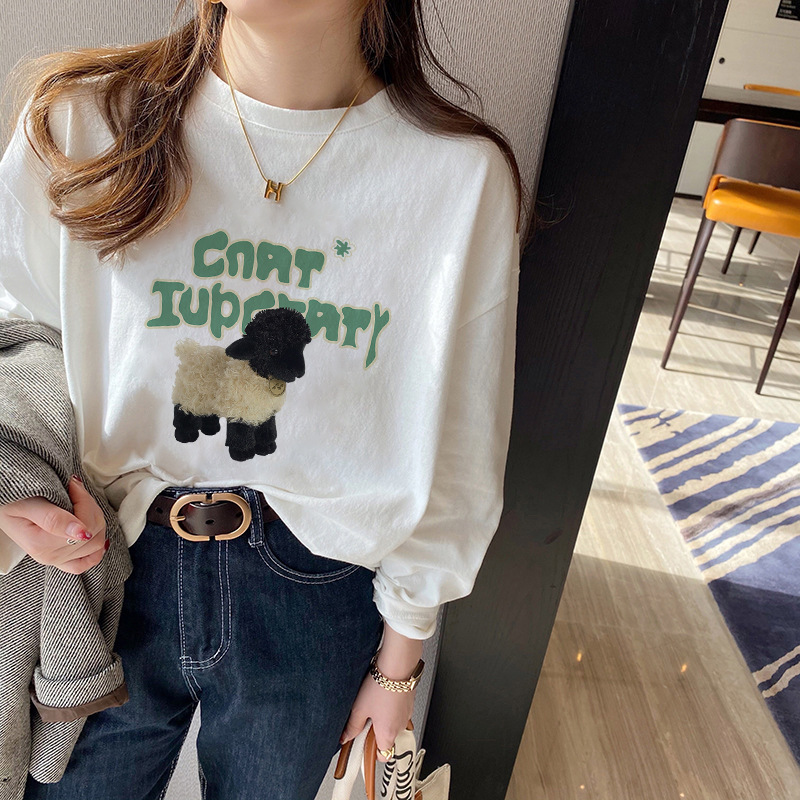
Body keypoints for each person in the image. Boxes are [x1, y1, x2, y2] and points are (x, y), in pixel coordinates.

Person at [0, 1, 526, 798]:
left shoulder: (457, 177)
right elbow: (18, 335)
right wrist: (14, 483)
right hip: (107, 564)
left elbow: (459, 439)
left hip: (316, 587)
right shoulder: (84, 122)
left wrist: (401, 661)